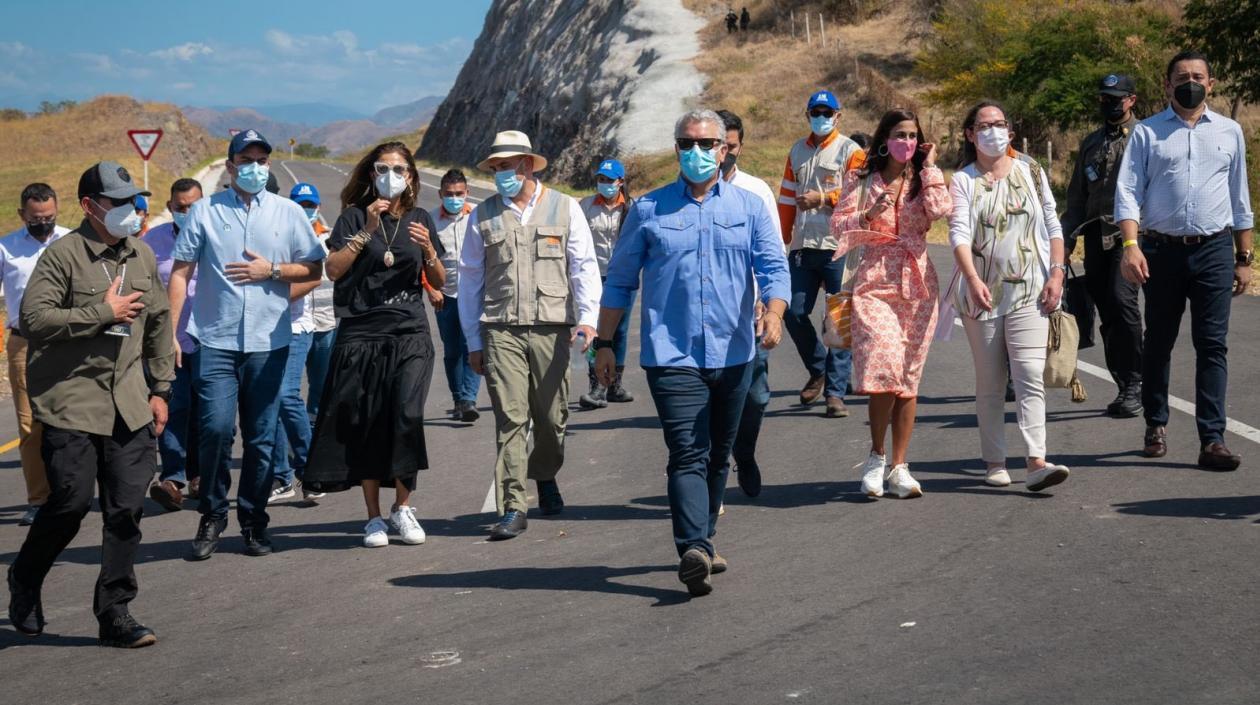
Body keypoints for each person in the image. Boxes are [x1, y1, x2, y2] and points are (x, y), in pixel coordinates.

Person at [597, 109, 789, 596]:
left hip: (734, 352)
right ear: (677, 148)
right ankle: (693, 548)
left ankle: (706, 538)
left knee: (718, 453)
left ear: (725, 149)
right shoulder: (647, 210)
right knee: (687, 451)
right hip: (672, 354)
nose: (697, 153)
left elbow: (773, 266)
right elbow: (619, 281)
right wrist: (603, 344)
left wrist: (774, 311)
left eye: (707, 144)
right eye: (687, 143)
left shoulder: (748, 207)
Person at [7, 161, 173, 647]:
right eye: (119, 203)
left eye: (133, 202)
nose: (130, 211)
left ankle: (115, 612)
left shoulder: (141, 254)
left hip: (128, 402)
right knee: (70, 503)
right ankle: (25, 577)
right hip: (71, 399)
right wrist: (105, 312)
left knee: (125, 510)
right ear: (90, 206)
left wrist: (161, 389)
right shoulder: (63, 256)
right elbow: (33, 319)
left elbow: (159, 325)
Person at [169, 129, 325, 560]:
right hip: (214, 341)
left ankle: (254, 521)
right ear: (232, 163)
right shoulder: (204, 211)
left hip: (269, 343)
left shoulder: (289, 213)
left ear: (269, 165)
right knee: (216, 429)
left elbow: (313, 269)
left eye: (261, 159)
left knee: (259, 438)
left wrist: (273, 276)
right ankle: (213, 514)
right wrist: (174, 333)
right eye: (245, 158)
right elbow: (180, 272)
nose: (253, 166)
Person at [458, 130, 601, 541]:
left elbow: (584, 266)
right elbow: (469, 282)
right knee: (511, 418)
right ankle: (514, 505)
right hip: (500, 329)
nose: (500, 173)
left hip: (553, 329)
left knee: (552, 418)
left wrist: (587, 319)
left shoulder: (565, 207)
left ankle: (545, 474)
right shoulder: (481, 216)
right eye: (496, 167)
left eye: (506, 166)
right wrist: (473, 340)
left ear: (525, 165)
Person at [1116, 50, 1254, 470]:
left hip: (1213, 248)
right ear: (1167, 85)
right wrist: (1130, 246)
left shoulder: (1229, 132)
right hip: (1161, 250)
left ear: (1211, 84)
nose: (1189, 82)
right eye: (1181, 77)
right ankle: (1156, 423)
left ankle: (1212, 438)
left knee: (1212, 344)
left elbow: (1239, 198)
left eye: (1198, 76)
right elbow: (1128, 192)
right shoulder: (1147, 133)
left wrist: (1244, 256)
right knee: (1158, 340)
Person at [304, 142, 444, 547]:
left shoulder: (419, 219)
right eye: (382, 168)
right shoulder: (352, 217)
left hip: (409, 332)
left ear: (412, 177)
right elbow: (332, 270)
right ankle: (374, 518)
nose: (390, 175)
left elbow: (438, 282)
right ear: (371, 174)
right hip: (361, 333)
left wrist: (430, 250)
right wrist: (365, 229)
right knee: (367, 422)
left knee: (406, 415)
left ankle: (403, 507)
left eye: (399, 169)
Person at [948, 101, 1071, 492]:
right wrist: (971, 278)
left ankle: (1036, 460)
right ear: (970, 134)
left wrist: (1057, 273)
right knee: (991, 382)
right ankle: (994, 461)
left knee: (1030, 375)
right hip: (981, 293)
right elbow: (958, 234)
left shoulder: (1031, 170)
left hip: (1030, 290)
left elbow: (1053, 223)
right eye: (984, 125)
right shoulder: (963, 181)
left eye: (999, 124)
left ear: (1011, 132)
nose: (993, 131)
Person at [830, 109, 952, 498]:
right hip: (874, 278)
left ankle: (900, 466)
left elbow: (940, 211)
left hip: (917, 282)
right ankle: (876, 456)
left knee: (908, 377)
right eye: (900, 134)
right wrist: (868, 212)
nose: (908, 142)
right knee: (883, 365)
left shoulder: (924, 180)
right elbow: (838, 227)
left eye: (914, 136)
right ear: (885, 138)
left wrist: (930, 167)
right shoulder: (861, 179)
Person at [776, 90, 864, 417]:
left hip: (839, 246)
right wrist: (782, 239)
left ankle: (836, 393)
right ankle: (818, 368)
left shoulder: (851, 152)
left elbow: (860, 194)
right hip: (802, 245)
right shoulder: (797, 151)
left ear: (839, 116)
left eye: (828, 112)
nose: (822, 117)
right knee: (793, 310)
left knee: (839, 321)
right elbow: (787, 199)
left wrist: (825, 199)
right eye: (817, 111)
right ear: (808, 114)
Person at [1061, 74, 1144, 418]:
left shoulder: (1146, 136)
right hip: (1096, 236)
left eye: (1117, 97)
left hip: (1133, 236)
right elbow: (1077, 197)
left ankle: (1137, 381)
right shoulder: (1092, 142)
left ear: (1131, 100)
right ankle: (1125, 384)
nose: (1110, 103)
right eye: (1105, 98)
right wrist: (1064, 239)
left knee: (1123, 302)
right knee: (1107, 310)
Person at [715, 109, 781, 498]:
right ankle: (715, 474)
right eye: (715, 146)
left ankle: (745, 450)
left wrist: (770, 306)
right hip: (704, 319)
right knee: (707, 399)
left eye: (730, 147)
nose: (723, 154)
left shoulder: (756, 192)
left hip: (749, 315)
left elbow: (773, 255)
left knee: (754, 396)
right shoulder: (680, 196)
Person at [0, 183, 69, 526]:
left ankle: (72, 491)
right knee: (30, 424)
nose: (43, 223)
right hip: (24, 342)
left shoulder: (73, 242)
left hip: (70, 342)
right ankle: (39, 499)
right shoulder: (6, 248)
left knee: (72, 420)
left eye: (49, 217)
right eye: (36, 218)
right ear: (22, 215)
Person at [269, 182, 334, 503]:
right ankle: (282, 476)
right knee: (273, 401)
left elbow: (313, 278)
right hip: (264, 331)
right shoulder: (275, 231)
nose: (305, 210)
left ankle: (313, 467)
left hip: (301, 325)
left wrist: (271, 299)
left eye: (310, 204)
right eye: (299, 204)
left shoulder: (321, 237)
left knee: (288, 395)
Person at [144, 178, 203, 512]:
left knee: (208, 412)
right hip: (170, 342)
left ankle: (202, 475)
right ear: (170, 208)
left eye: (192, 206)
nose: (186, 212)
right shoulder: (152, 242)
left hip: (211, 341)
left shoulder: (218, 237)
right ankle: (173, 479)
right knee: (172, 408)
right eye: (179, 207)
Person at [578, 158, 634, 409]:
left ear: (620, 182)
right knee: (597, 330)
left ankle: (614, 385)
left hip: (623, 276)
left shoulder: (632, 209)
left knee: (620, 331)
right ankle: (597, 385)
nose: (605, 184)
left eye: (610, 180)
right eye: (601, 179)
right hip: (594, 276)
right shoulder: (585, 206)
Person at [431, 169, 481, 423]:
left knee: (471, 345)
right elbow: (421, 261)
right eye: (449, 194)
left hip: (473, 294)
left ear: (467, 193)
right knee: (452, 351)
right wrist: (431, 289)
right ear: (440, 194)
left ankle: (469, 399)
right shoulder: (429, 221)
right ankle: (458, 398)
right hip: (445, 296)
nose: (454, 198)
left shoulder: (478, 217)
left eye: (459, 194)